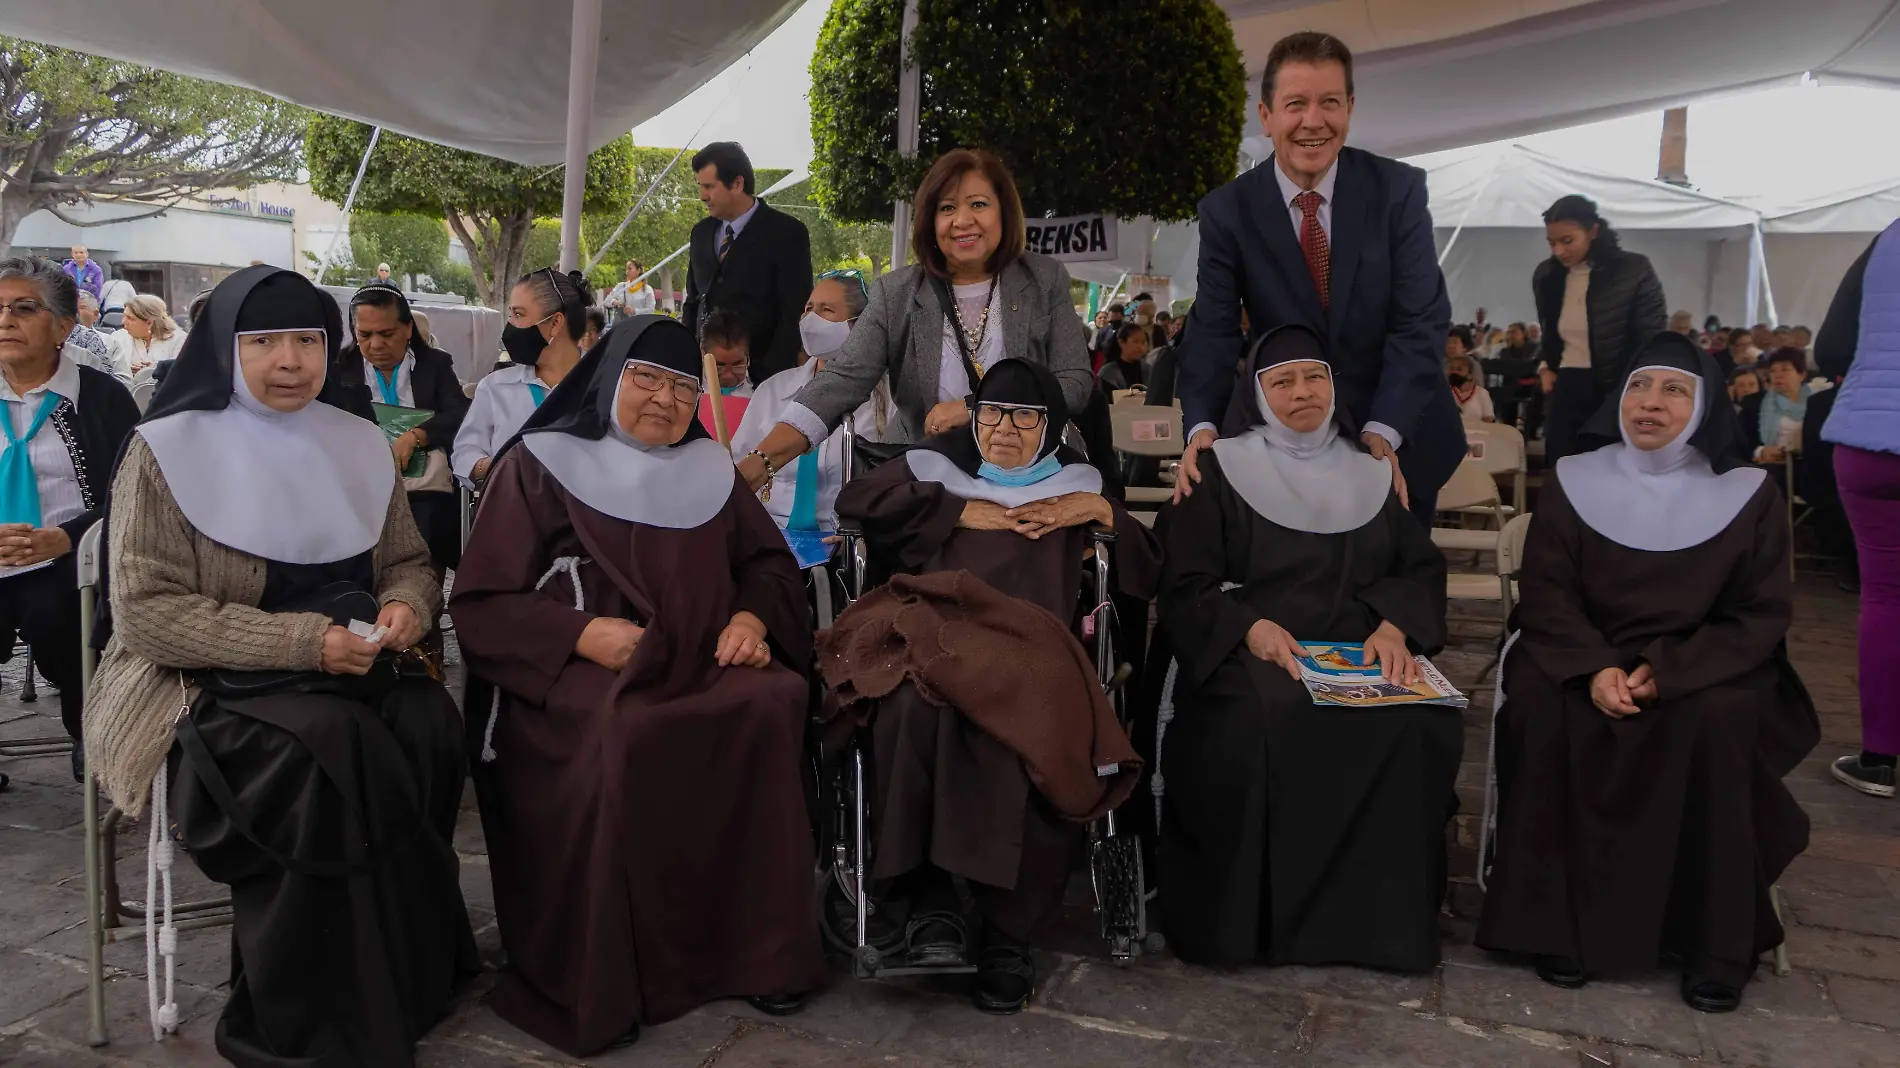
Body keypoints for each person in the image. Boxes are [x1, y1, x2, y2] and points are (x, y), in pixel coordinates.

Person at [85, 264, 476, 1065]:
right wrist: (302, 644)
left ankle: (410, 971)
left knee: (429, 721)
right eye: (263, 343)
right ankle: (308, 1012)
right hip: (198, 681)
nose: (290, 361)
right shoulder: (164, 451)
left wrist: (407, 605)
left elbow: (407, 559)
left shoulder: (357, 441)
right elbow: (149, 614)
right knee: (330, 748)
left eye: (306, 340)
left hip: (349, 659)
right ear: (225, 350)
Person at [450, 315, 825, 1054]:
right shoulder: (540, 465)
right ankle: (617, 973)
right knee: (623, 735)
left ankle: (757, 954)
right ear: (608, 380)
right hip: (580, 672)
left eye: (684, 386)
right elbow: (482, 602)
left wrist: (751, 619)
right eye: (646, 379)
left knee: (771, 700)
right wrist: (580, 635)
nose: (666, 399)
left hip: (702, 660)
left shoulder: (712, 469)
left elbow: (770, 565)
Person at [1477, 332, 1818, 1012]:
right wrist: (1594, 668)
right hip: (1581, 649)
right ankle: (1555, 925)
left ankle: (1711, 941)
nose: (1651, 404)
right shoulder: (1576, 478)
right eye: (1639, 386)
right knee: (1544, 706)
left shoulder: (1748, 494)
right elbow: (1548, 594)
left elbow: (1758, 615)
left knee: (1716, 719)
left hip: (1703, 665)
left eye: (1673, 390)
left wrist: (1668, 672)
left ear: (1703, 407)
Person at [825, 358, 1159, 1012]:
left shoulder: (1073, 486)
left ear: (1051, 426)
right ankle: (932, 904)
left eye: (1026, 417)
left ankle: (1010, 931)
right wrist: (953, 511)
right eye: (993, 414)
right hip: (934, 627)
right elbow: (855, 501)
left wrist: (1096, 508)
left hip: (1036, 642)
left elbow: (1148, 564)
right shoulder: (937, 470)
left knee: (1034, 723)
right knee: (908, 707)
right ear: (975, 418)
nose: (1006, 429)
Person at [1150, 324, 1457, 972]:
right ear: (1255, 394)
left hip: (1359, 645)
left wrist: (1394, 628)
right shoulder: (1216, 470)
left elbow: (1420, 566)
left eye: (1314, 376)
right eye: (1282, 381)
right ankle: (1256, 929)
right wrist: (1247, 628)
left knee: (1418, 720)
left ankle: (1382, 931)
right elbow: (1184, 584)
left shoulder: (1370, 470)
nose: (1302, 392)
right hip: (1252, 648)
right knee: (1262, 717)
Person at [1175, 31, 1465, 525]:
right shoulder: (1228, 211)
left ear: (1350, 107)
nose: (1314, 121)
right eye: (1295, 104)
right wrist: (1201, 422)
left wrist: (1385, 427)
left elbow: (1420, 319)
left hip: (1397, 434)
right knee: (1295, 590)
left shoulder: (1398, 192)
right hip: (1286, 439)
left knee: (1397, 590)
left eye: (1329, 102)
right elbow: (1214, 327)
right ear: (1266, 116)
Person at [733, 148, 1093, 494]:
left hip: (1026, 474)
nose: (962, 220)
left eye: (978, 204)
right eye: (947, 207)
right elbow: (840, 381)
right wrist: (762, 461)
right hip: (923, 475)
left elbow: (1073, 382)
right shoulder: (898, 292)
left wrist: (975, 409)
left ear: (1004, 213)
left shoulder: (1044, 279)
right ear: (930, 220)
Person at [0, 257, 140, 775]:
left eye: (24, 308)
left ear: (63, 326)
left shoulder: (101, 398)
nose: (5, 320)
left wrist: (65, 539)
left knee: (59, 612)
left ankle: (94, 729)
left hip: (70, 558)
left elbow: (132, 495)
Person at [1815, 219, 1900, 796]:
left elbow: (1830, 348)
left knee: (1886, 600)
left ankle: (1879, 759)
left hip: (1869, 441)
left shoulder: (1890, 237)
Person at [729, 271, 892, 530]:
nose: (810, 319)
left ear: (860, 325)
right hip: (769, 532)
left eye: (826, 310)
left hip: (844, 538)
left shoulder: (887, 403)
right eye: (808, 309)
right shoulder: (773, 390)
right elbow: (740, 465)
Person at [342, 283, 472, 572]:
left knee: (427, 530)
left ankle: (422, 591)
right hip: (361, 485)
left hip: (424, 488)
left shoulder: (434, 365)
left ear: (408, 329)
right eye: (364, 335)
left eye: (387, 334)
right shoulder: (339, 370)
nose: (375, 345)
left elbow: (459, 412)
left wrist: (416, 436)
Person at [1533, 195, 1668, 463]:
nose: (1558, 251)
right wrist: (1544, 365)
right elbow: (1549, 332)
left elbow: (1652, 337)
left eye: (1567, 241)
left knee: (1611, 469)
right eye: (1551, 243)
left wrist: (1638, 389)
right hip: (1566, 385)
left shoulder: (1633, 270)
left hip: (1616, 387)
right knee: (1562, 467)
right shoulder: (1546, 275)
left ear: (1593, 231)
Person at [681, 142, 812, 385]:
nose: (702, 196)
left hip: (762, 381)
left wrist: (767, 376)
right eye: (701, 187)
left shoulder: (787, 233)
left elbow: (794, 311)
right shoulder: (700, 233)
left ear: (737, 184)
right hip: (701, 379)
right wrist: (687, 360)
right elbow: (693, 300)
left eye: (709, 187)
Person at [452, 268, 591, 489]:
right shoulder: (496, 387)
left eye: (519, 314)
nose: (510, 326)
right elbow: (464, 454)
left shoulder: (604, 385)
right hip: (514, 513)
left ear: (555, 323)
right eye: (510, 314)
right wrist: (497, 466)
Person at [1745, 348, 1813, 462]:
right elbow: (1741, 439)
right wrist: (1761, 451)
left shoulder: (1816, 401)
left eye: (1785, 369)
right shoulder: (1753, 402)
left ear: (1801, 375)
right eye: (1772, 371)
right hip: (1770, 465)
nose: (1778, 375)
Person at [106, 294, 183, 380]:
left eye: (130, 318)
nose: (124, 321)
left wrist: (155, 371)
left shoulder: (179, 339)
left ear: (149, 322)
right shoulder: (117, 338)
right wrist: (126, 372)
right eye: (124, 316)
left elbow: (179, 374)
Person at [702, 307, 755, 397]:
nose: (728, 376)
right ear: (702, 354)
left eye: (737, 364)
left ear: (748, 357)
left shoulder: (762, 393)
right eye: (719, 365)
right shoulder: (688, 390)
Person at [1096, 321, 1149, 396]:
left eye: (1143, 342)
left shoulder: (1149, 369)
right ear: (1121, 342)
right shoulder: (1107, 373)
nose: (1140, 347)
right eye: (1135, 342)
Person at [1448, 351, 1494, 422]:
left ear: (1470, 373)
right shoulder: (1443, 392)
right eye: (1451, 369)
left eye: (1459, 369)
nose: (1454, 372)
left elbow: (1488, 419)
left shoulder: (1481, 393)